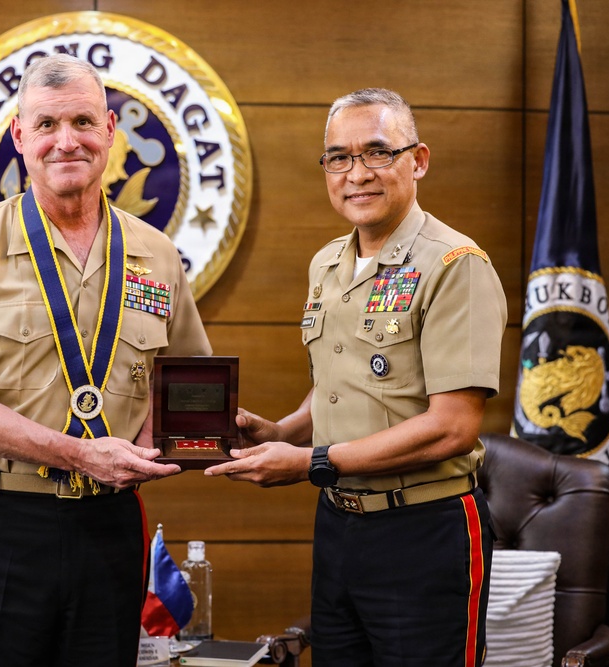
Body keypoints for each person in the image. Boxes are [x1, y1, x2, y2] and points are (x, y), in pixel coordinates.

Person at [0, 53, 211, 667]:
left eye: (84, 122)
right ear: (19, 136)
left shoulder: (158, 253)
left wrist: (188, 436)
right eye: (46, 125)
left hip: (111, 526)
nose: (68, 141)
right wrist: (81, 453)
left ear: (112, 132)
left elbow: (186, 388)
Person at [206, 88, 507, 667]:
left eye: (376, 152)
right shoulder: (327, 263)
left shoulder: (454, 265)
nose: (356, 174)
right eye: (338, 157)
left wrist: (313, 463)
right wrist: (281, 433)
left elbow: (453, 428)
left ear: (417, 160)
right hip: (340, 526)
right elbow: (341, 383)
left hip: (425, 530)